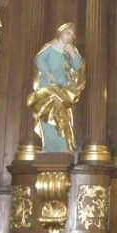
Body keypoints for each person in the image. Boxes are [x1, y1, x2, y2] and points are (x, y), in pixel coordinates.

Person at [28, 22, 86, 152]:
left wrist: (72, 53)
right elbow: (39, 60)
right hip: (47, 86)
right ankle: (48, 146)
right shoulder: (50, 47)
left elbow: (78, 66)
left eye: (72, 35)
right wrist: (47, 71)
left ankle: (62, 146)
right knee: (46, 115)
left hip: (61, 88)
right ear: (60, 33)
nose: (69, 37)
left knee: (60, 116)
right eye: (67, 33)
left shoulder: (70, 50)